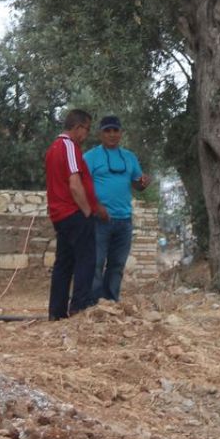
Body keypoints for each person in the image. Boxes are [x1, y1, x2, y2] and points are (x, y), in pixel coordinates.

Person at [45, 109, 106, 320]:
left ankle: (56, 311)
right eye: (86, 129)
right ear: (78, 127)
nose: (86, 135)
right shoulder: (69, 146)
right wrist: (88, 211)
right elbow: (74, 183)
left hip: (59, 215)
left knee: (64, 262)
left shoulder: (53, 148)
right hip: (73, 212)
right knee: (86, 260)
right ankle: (79, 307)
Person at [83, 115, 151, 302]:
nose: (112, 134)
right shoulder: (90, 157)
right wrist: (96, 207)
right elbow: (81, 186)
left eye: (115, 130)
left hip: (124, 220)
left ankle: (111, 302)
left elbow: (137, 184)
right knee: (96, 263)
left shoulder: (129, 157)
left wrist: (144, 182)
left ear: (121, 133)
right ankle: (94, 304)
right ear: (100, 134)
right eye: (107, 131)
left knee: (117, 264)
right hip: (99, 219)